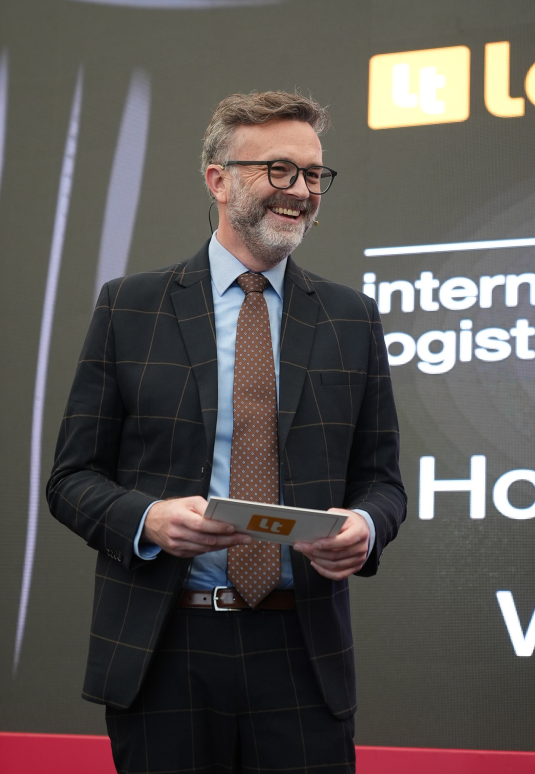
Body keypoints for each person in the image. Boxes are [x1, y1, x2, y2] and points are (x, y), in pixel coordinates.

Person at [47, 91, 407, 774]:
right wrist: (147, 519)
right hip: (164, 649)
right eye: (279, 170)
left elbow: (383, 483)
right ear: (218, 180)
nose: (301, 191)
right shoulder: (130, 307)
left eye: (313, 174)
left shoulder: (351, 318)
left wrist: (365, 526)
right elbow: (70, 480)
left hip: (302, 654)